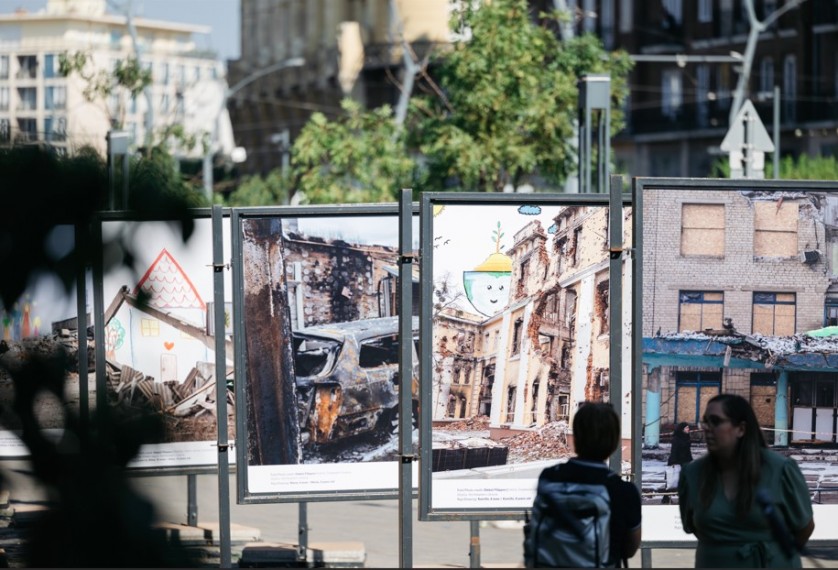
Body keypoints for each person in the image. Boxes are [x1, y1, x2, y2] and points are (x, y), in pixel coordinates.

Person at [678, 393, 815, 568]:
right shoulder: (692, 474)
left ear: (741, 429)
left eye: (716, 421)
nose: (707, 428)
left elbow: (804, 527)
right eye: (705, 422)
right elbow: (693, 525)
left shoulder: (781, 470)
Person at [524, 402, 641, 567]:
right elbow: (629, 549)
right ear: (614, 442)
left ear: (576, 437)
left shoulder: (549, 477)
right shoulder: (623, 491)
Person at [662, 422, 693, 503]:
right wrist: (673, 462)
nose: (688, 429)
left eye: (688, 428)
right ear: (682, 429)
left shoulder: (686, 437)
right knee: (672, 480)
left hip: (685, 462)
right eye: (686, 428)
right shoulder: (676, 439)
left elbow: (688, 452)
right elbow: (674, 451)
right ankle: (666, 498)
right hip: (677, 462)